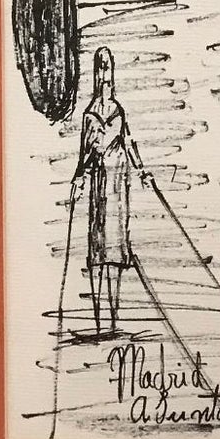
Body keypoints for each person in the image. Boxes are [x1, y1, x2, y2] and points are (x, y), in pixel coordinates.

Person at [75, 47, 140, 338]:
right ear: (95, 74)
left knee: (117, 245)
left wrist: (142, 170)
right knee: (99, 246)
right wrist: (79, 178)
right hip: (101, 182)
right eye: (101, 68)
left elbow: (129, 141)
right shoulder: (90, 114)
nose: (105, 75)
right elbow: (85, 153)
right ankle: (100, 318)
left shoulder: (118, 110)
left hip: (118, 180)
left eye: (108, 68)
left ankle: (114, 315)